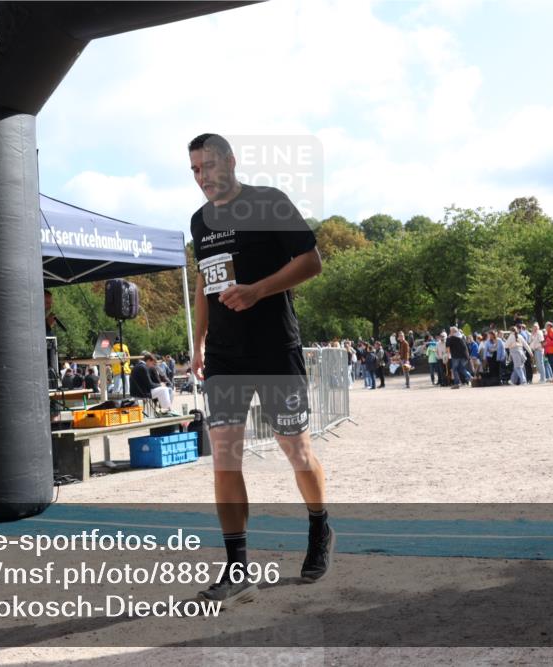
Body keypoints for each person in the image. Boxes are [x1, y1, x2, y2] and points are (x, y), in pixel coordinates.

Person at [188, 133, 330, 605]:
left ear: (230, 161)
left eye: (208, 166)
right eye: (194, 170)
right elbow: (205, 287)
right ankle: (237, 570)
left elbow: (312, 262)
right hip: (226, 358)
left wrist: (258, 290)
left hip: (274, 350)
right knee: (225, 458)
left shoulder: (269, 202)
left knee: (297, 452)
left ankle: (319, 524)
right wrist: (198, 344)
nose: (202, 177)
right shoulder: (200, 222)